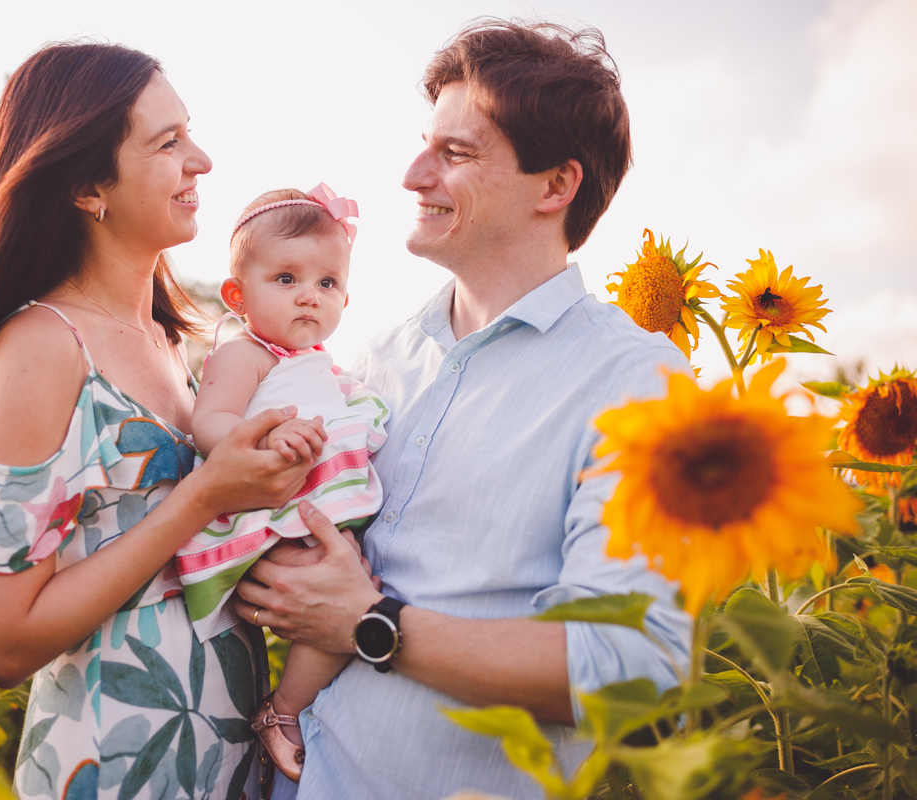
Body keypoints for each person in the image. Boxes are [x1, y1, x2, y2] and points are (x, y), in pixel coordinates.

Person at [231, 20, 694, 800]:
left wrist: (370, 623)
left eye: (457, 153)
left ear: (555, 185)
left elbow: (630, 674)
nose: (413, 175)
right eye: (425, 145)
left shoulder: (636, 381)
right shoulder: (372, 365)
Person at [0, 42, 314, 800]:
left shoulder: (173, 340)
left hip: (221, 754)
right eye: (167, 143)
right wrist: (204, 497)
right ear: (86, 187)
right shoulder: (41, 347)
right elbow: (1, 644)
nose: (200, 160)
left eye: (188, 134)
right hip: (117, 759)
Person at [176, 185, 389, 782]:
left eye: (327, 283)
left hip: (307, 510)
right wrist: (266, 435)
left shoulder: (320, 365)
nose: (309, 295)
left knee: (350, 592)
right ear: (238, 296)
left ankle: (300, 704)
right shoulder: (244, 353)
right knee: (341, 597)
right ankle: (284, 712)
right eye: (287, 279)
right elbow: (210, 423)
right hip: (269, 510)